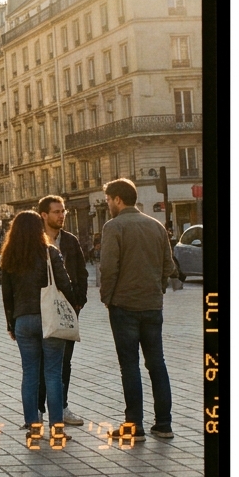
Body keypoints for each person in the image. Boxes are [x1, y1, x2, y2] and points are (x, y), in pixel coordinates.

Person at [99, 178, 176, 441]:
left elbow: (109, 268)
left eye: (109, 200)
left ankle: (135, 426)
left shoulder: (114, 226)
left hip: (124, 306)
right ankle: (164, 424)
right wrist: (157, 289)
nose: (107, 204)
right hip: (152, 306)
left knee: (129, 366)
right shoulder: (156, 226)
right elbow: (169, 265)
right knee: (157, 363)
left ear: (118, 200)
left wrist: (107, 297)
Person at [0, 210, 73, 439]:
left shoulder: (10, 256)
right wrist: (72, 308)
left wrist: (11, 324)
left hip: (23, 320)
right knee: (53, 374)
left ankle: (33, 426)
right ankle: (57, 429)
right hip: (49, 318)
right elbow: (65, 285)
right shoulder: (50, 253)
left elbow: (7, 295)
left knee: (29, 373)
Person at [35, 195, 88, 426]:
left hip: (66, 310)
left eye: (63, 211)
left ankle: (62, 407)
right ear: (44, 215)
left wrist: (79, 301)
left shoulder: (70, 241)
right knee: (40, 363)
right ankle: (38, 409)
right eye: (56, 212)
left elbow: (81, 272)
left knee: (64, 362)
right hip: (40, 309)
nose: (61, 215)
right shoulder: (34, 241)